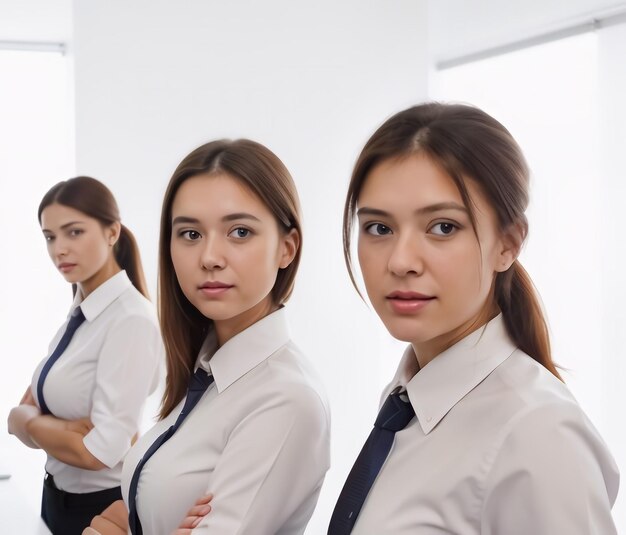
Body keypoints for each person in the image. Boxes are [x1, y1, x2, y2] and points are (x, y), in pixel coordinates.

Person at [327, 102, 620, 534]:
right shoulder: (406, 401)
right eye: (379, 228)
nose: (401, 260)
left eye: (443, 227)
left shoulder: (538, 433)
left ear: (508, 243)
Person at [87, 139, 330, 535]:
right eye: (190, 234)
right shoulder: (205, 368)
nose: (210, 257)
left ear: (287, 248)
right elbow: (131, 514)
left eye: (239, 231)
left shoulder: (286, 399)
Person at [7, 176, 163, 535]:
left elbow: (99, 452)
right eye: (50, 236)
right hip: (55, 498)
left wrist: (24, 422)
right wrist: (64, 431)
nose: (59, 249)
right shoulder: (80, 315)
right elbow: (36, 404)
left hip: (98, 511)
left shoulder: (130, 320)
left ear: (112, 232)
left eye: (74, 232)